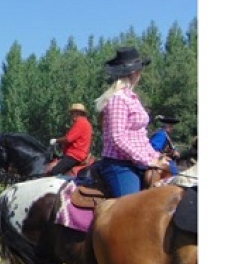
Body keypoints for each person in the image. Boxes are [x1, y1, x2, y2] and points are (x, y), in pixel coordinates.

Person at [93, 46, 171, 197]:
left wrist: (155, 156)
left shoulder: (132, 98)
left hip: (138, 162)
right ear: (135, 73)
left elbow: (141, 137)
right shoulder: (118, 99)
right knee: (131, 207)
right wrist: (148, 160)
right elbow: (118, 139)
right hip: (120, 165)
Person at [48, 103, 93, 176]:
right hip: (78, 154)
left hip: (74, 155)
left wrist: (56, 140)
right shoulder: (86, 123)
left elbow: (68, 139)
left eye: (72, 113)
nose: (71, 115)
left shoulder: (80, 122)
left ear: (78, 113)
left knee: (54, 172)